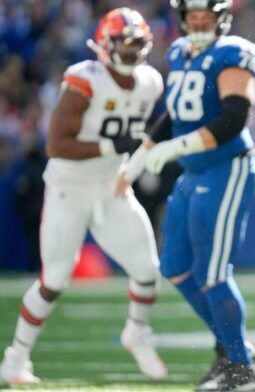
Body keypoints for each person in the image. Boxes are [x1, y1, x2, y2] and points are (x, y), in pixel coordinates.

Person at [0, 8, 167, 384]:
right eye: (125, 44)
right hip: (68, 189)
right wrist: (113, 147)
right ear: (105, 45)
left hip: (112, 189)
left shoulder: (150, 81)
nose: (132, 52)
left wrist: (136, 164)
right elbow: (57, 144)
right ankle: (16, 358)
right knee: (55, 279)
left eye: (138, 44)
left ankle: (136, 334)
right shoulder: (84, 80)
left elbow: (147, 133)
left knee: (147, 271)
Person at [117, 0, 255, 390]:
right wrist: (134, 164)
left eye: (206, 17)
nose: (199, 23)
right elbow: (173, 116)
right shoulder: (180, 52)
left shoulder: (235, 51)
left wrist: (175, 149)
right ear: (182, 19)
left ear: (221, 18)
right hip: (194, 171)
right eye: (193, 17)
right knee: (177, 268)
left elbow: (234, 118)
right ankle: (231, 347)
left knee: (213, 274)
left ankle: (241, 369)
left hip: (227, 168)